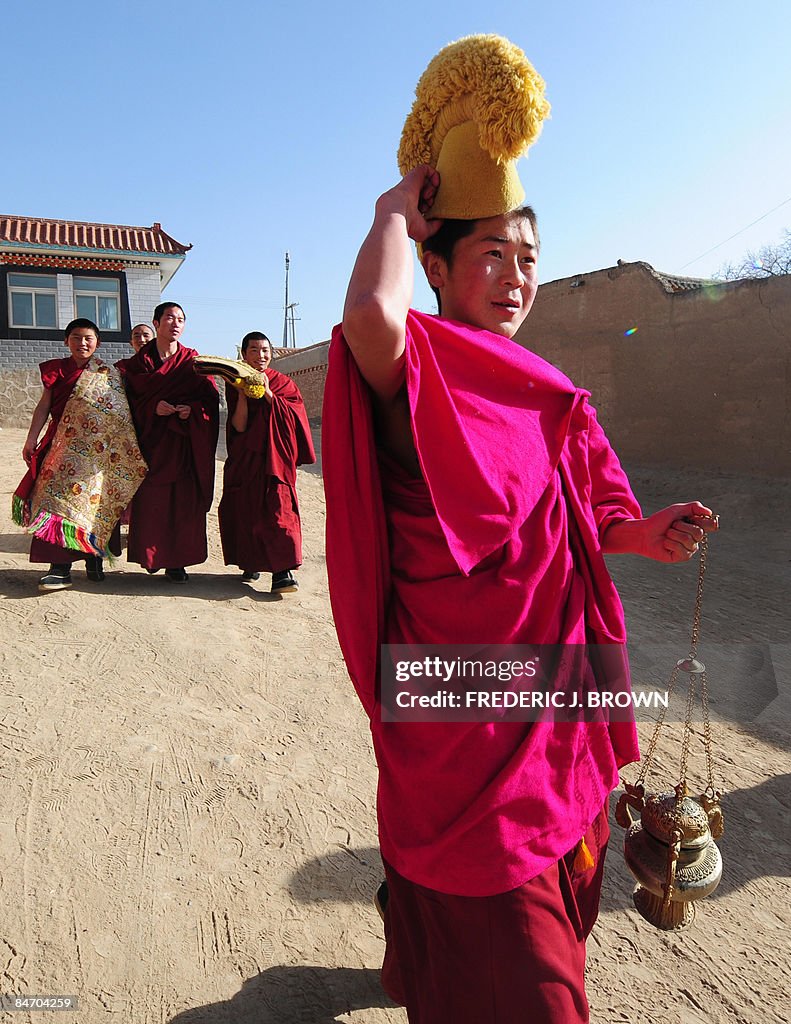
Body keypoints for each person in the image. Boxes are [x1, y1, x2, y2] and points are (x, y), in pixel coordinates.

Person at [322, 35, 718, 1024]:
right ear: (439, 267)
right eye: (489, 254)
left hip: (554, 722)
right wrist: (386, 214)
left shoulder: (550, 397)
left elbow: (597, 523)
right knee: (526, 980)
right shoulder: (417, 367)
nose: (513, 276)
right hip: (462, 722)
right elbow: (372, 314)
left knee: (537, 925)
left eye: (528, 259)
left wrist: (648, 533)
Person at [16, 318, 132, 590]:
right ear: (66, 341)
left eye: (88, 338)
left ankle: (94, 557)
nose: (83, 343)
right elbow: (44, 406)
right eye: (77, 338)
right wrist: (31, 438)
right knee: (54, 504)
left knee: (94, 505)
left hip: (97, 456)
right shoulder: (57, 370)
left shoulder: (109, 375)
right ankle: (59, 567)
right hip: (60, 448)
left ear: (98, 343)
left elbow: (121, 416)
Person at [117, 302, 219, 582]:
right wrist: (151, 408)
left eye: (181, 319)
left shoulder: (193, 362)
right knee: (152, 502)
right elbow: (124, 405)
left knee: (182, 503)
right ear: (156, 322)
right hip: (150, 446)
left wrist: (192, 411)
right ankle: (152, 557)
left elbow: (210, 399)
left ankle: (177, 562)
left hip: (183, 446)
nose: (175, 323)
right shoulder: (139, 364)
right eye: (169, 318)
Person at [217, 331, 316, 592]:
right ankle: (251, 561)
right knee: (246, 510)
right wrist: (241, 394)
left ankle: (282, 573)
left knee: (280, 514)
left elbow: (294, 420)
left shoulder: (284, 384)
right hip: (248, 460)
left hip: (276, 461)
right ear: (244, 355)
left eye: (264, 350)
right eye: (254, 350)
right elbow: (238, 425)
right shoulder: (235, 382)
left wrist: (269, 394)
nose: (260, 356)